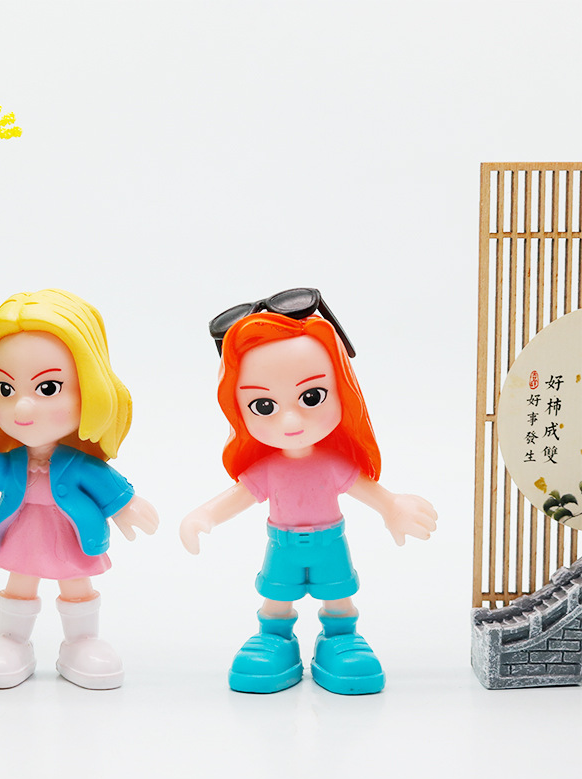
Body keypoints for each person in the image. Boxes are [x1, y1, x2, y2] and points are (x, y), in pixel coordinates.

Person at [180, 288, 436, 695]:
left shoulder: (332, 464)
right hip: (281, 545)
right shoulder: (268, 468)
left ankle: (341, 638)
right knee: (275, 596)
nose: (290, 421)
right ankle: (274, 639)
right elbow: (239, 495)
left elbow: (367, 489)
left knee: (338, 594)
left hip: (329, 542)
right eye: (264, 406)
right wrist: (204, 515)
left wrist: (393, 507)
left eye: (311, 397)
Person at [0, 289, 158, 690]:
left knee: (76, 586)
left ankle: (82, 640)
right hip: (24, 533)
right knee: (20, 583)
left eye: (48, 388)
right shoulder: (14, 463)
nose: (22, 408)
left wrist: (127, 505)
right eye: (6, 390)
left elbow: (107, 485)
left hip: (71, 535)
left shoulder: (79, 464)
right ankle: (12, 639)